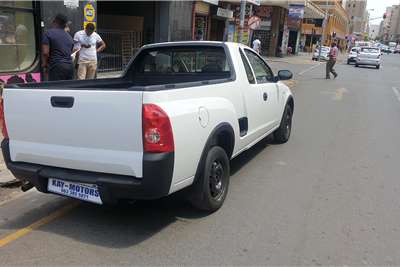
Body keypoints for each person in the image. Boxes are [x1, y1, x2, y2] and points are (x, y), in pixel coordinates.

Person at [42, 14, 74, 81]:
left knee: (56, 88)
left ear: (55, 21)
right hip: (70, 66)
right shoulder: (69, 36)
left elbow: (45, 52)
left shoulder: (48, 33)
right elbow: (70, 51)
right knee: (67, 89)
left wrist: (44, 65)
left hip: (57, 66)